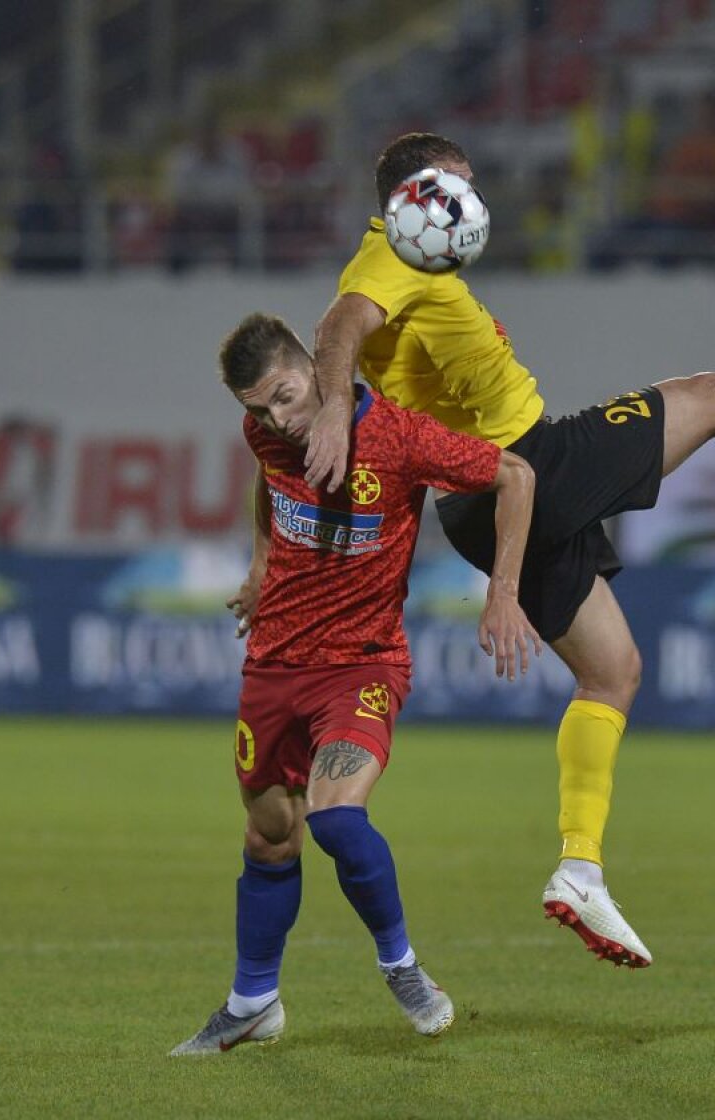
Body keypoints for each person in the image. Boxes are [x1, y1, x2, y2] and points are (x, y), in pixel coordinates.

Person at [303, 132, 715, 970]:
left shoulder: (409, 262)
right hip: (534, 466)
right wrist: (335, 412)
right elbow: (338, 325)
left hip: (480, 505)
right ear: (420, 193)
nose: (476, 204)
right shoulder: (390, 261)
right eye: (462, 186)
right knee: (711, 398)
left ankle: (580, 868)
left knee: (612, 673)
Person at [170, 312, 538, 1054]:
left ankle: (402, 966)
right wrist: (260, 565)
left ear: (316, 368)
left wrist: (502, 591)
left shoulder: (399, 438)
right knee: (270, 836)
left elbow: (516, 476)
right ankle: (253, 1003)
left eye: (284, 396)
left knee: (335, 817)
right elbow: (269, 484)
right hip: (274, 662)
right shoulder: (268, 436)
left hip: (362, 664)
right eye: (258, 410)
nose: (278, 420)